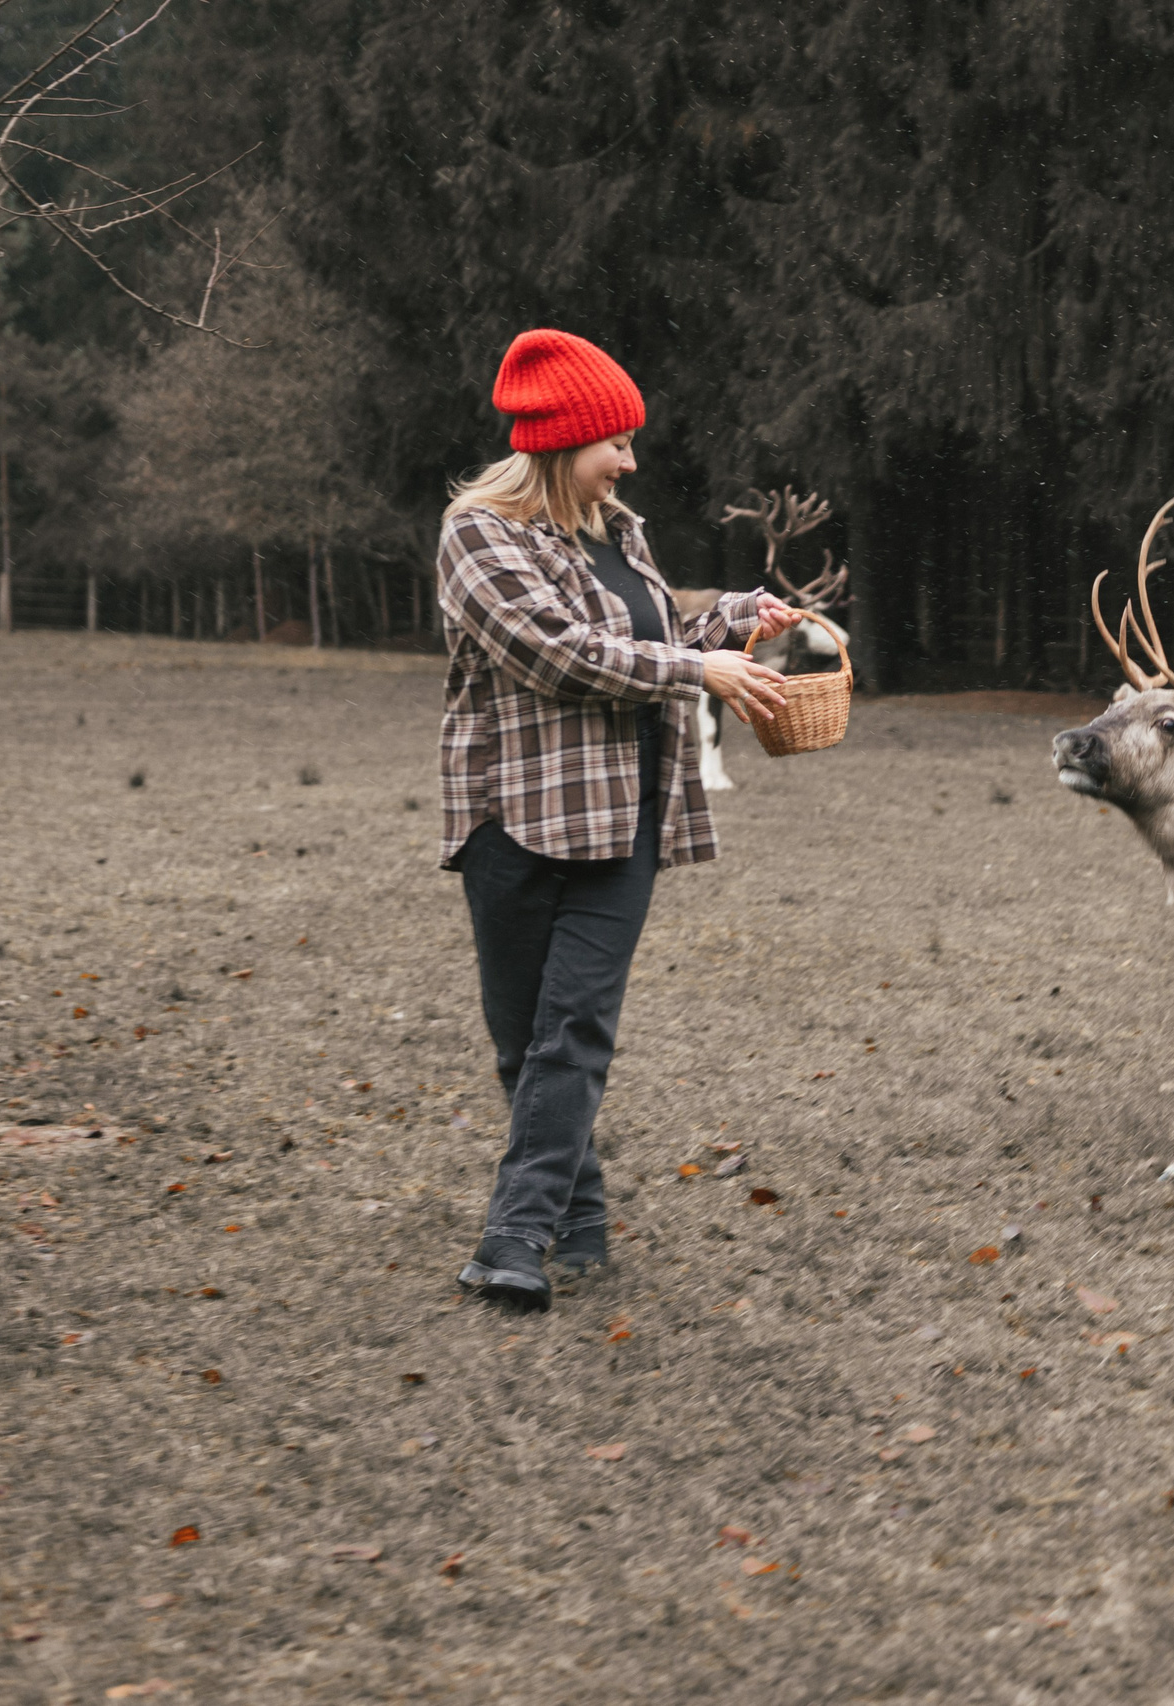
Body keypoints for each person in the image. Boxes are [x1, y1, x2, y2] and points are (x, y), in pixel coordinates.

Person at [435, 327, 807, 1309]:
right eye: (618, 442)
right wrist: (695, 666)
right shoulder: (478, 535)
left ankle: (512, 1239)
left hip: (624, 818)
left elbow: (651, 635)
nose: (630, 462)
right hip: (511, 820)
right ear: (563, 442)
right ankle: (582, 1218)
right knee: (522, 1039)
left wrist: (729, 620)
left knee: (575, 1030)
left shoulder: (618, 531)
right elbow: (558, 652)